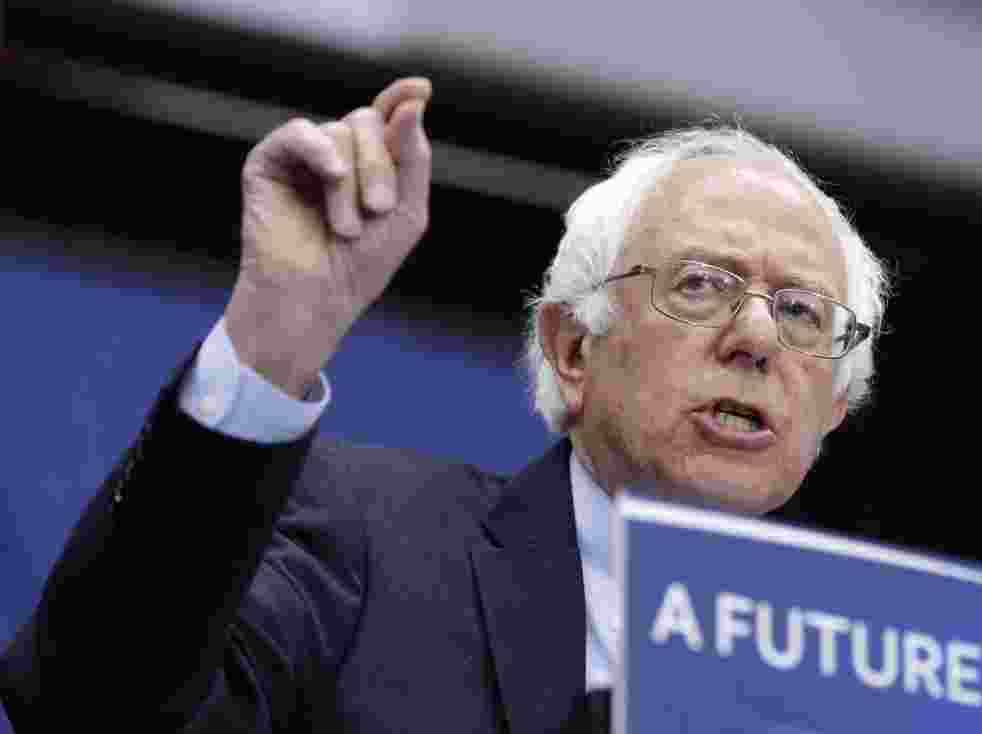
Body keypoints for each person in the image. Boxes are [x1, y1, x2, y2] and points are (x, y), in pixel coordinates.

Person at [0, 77, 889, 732]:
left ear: (834, 410)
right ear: (573, 348)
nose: (757, 336)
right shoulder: (365, 540)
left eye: (803, 313)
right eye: (700, 284)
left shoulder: (890, 674)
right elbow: (90, 708)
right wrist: (273, 339)